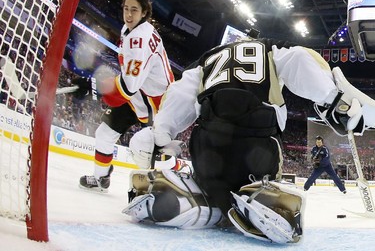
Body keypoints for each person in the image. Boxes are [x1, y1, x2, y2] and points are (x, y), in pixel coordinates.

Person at [123, 37, 375, 244]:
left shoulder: (206, 61)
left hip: (208, 151)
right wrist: (333, 100)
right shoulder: (269, 50)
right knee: (263, 177)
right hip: (257, 148)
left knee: (210, 183)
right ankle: (261, 200)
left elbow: (178, 94)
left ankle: (199, 200)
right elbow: (300, 59)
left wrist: (160, 132)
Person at [75, 0, 174, 193]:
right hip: (139, 93)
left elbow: (128, 87)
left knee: (151, 155)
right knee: (105, 132)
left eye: (134, 10)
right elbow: (131, 81)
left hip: (156, 102)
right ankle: (101, 178)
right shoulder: (129, 29)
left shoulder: (141, 39)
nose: (128, 14)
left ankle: (169, 187)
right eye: (126, 8)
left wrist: (94, 85)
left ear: (145, 12)